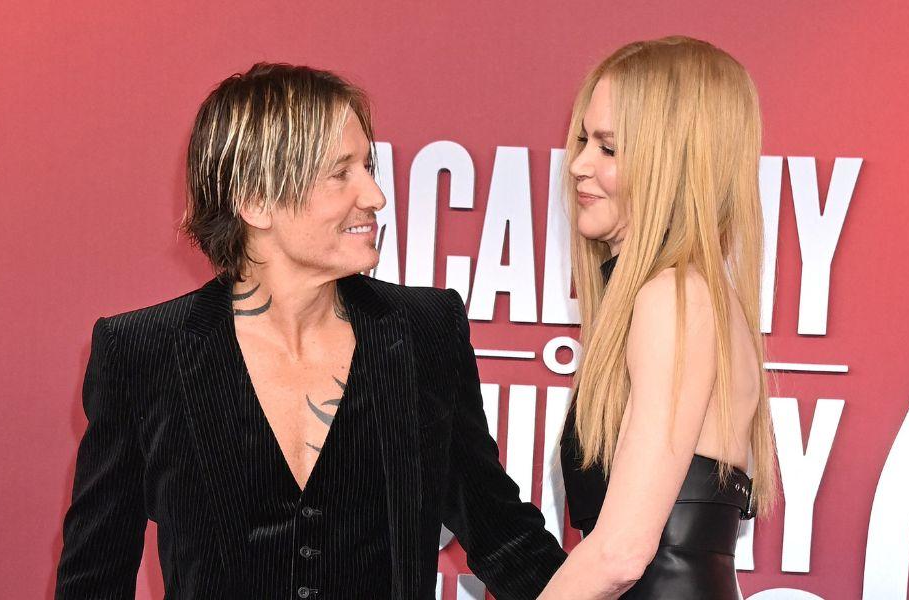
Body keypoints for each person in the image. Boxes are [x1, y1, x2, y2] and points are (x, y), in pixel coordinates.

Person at [55, 63, 565, 599]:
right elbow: (95, 578)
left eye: (368, 167)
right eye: (340, 172)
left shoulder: (424, 330)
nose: (374, 196)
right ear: (255, 200)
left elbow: (502, 534)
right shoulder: (143, 354)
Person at [539, 37, 778, 599]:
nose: (578, 165)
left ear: (675, 162)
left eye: (610, 148)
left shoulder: (675, 297)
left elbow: (620, 553)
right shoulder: (692, 295)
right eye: (582, 141)